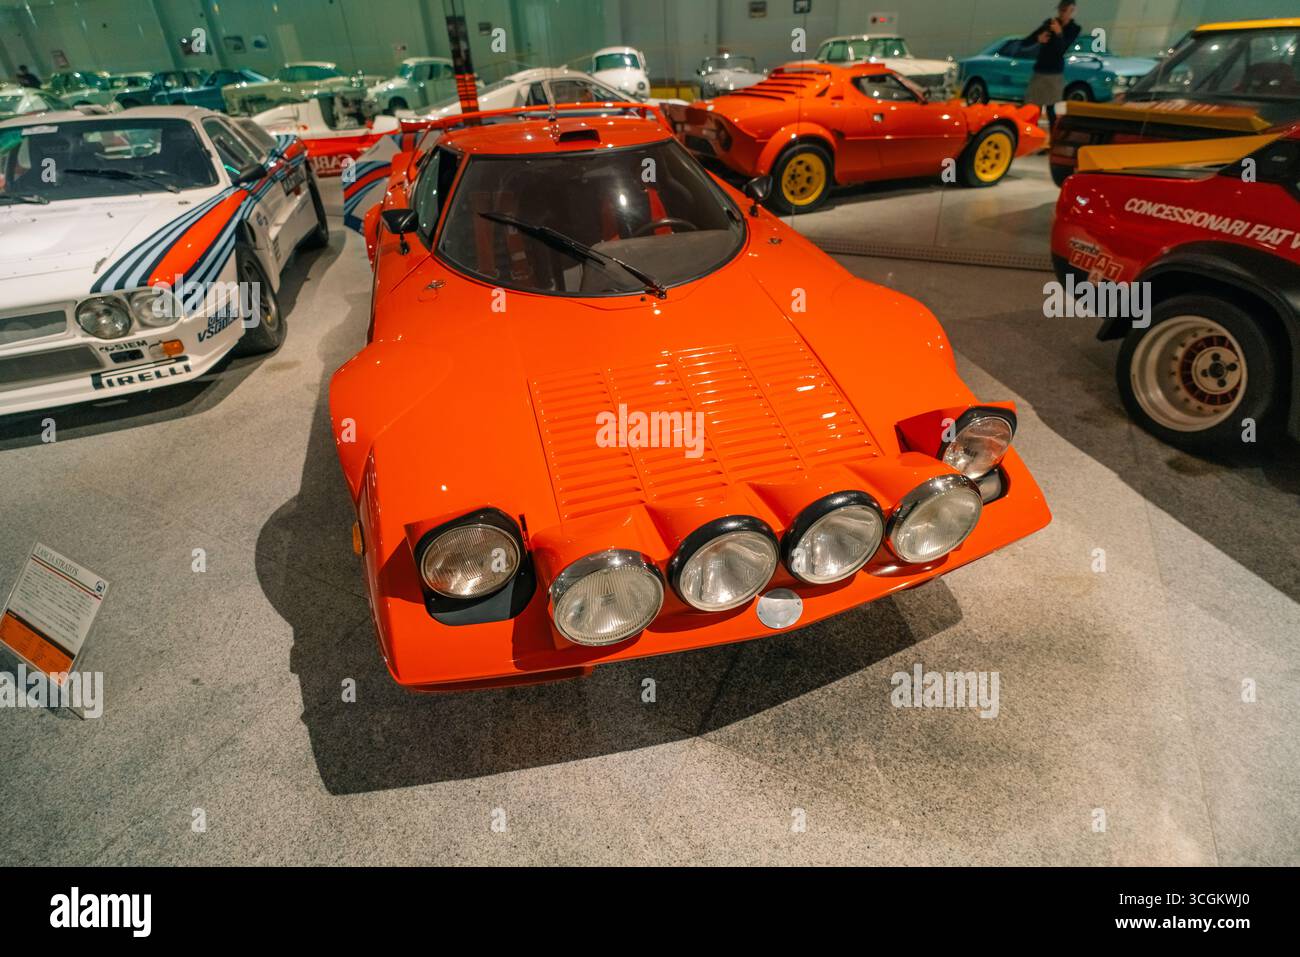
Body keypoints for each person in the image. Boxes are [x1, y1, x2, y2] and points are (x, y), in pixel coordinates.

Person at [1024, 1, 1081, 128]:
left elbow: (1063, 49)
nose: (1062, 13)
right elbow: (1026, 42)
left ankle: (1053, 139)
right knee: (1033, 108)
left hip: (1054, 73)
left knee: (1051, 108)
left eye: (1066, 10)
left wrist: (1059, 33)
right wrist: (1037, 39)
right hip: (1040, 70)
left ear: (1073, 11)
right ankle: (1031, 135)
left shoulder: (1074, 29)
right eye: (1061, 10)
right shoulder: (1049, 24)